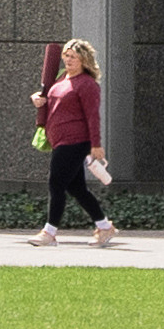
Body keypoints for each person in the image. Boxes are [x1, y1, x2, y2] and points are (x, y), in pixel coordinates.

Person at [33, 34, 112, 246]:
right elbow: (50, 100)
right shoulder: (61, 79)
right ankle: (104, 227)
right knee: (76, 188)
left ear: (84, 60)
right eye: (66, 56)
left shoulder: (87, 84)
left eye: (74, 57)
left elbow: (93, 116)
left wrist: (96, 144)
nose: (68, 60)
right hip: (60, 140)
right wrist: (38, 99)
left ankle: (49, 232)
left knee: (56, 182)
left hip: (76, 141)